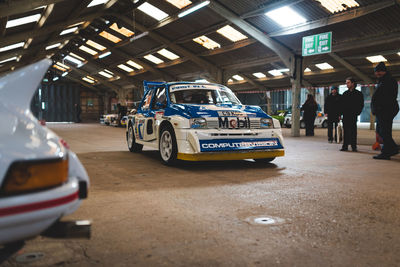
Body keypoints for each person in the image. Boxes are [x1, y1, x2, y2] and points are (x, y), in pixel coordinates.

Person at [371, 62, 399, 160]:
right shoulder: (382, 81)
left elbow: (389, 97)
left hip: (386, 110)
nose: (377, 73)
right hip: (382, 110)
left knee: (384, 131)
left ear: (384, 71)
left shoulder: (389, 80)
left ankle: (391, 149)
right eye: (376, 72)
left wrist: (379, 108)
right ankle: (389, 150)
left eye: (380, 71)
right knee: (382, 131)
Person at [340, 77, 364, 152]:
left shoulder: (358, 94)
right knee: (345, 131)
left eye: (348, 82)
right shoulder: (345, 94)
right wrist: (341, 114)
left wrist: (357, 112)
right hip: (346, 115)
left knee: (353, 131)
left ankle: (354, 146)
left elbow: (361, 104)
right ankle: (345, 146)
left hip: (353, 115)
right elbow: (342, 105)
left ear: (353, 83)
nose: (347, 84)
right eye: (346, 83)